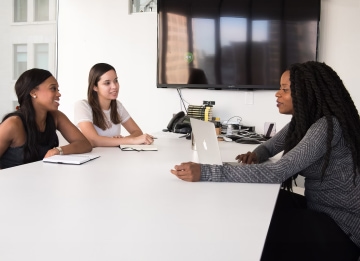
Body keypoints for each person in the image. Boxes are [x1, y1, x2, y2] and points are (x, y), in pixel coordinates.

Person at [170, 61, 360, 260]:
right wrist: (257, 155)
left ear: (307, 93)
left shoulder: (327, 127)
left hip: (343, 228)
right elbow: (270, 146)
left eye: (284, 89)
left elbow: (277, 172)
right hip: (319, 208)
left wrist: (206, 172)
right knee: (255, 202)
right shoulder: (304, 123)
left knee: (257, 227)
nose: (277, 94)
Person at [0, 68, 92, 170]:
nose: (59, 94)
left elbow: (85, 144)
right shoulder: (13, 124)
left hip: (41, 182)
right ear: (33, 92)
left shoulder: (56, 116)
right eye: (53, 88)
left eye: (58, 89)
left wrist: (58, 150)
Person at [74, 63, 154, 147]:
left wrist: (121, 140)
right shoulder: (82, 106)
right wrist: (126, 140)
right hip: (94, 158)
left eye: (116, 80)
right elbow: (94, 140)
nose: (114, 86)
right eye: (107, 83)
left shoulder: (117, 106)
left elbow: (137, 132)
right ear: (95, 87)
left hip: (114, 157)